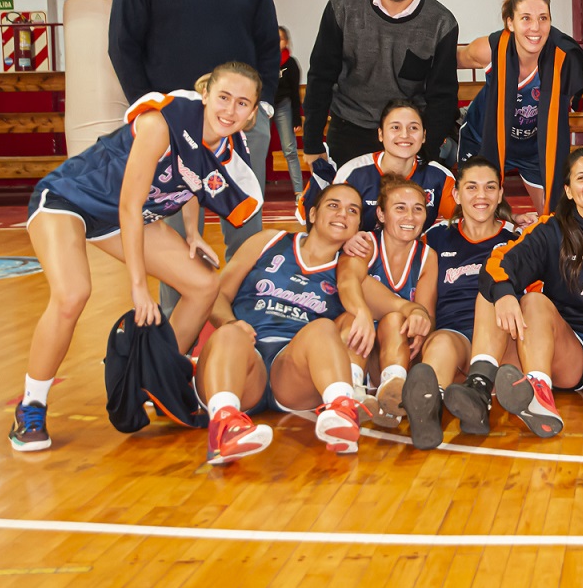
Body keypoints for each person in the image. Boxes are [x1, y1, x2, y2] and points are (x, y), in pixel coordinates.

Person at [11, 63, 265, 452]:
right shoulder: (162, 123)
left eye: (242, 103)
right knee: (73, 294)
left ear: (252, 113)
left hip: (123, 217)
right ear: (206, 96)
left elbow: (194, 179)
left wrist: (193, 232)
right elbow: (130, 205)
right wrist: (138, 288)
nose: (230, 110)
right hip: (70, 200)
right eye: (224, 98)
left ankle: (157, 377)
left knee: (203, 284)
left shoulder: (228, 152)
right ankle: (31, 405)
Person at [108, 0, 280, 310]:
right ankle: (171, 331)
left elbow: (267, 43)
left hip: (240, 125)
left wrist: (258, 110)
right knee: (172, 233)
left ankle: (251, 321)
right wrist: (151, 114)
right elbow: (123, 45)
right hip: (173, 129)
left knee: (245, 226)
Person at [460, 147, 583, 439]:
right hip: (570, 353)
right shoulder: (552, 229)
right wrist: (505, 292)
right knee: (530, 300)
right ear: (568, 191)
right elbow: (499, 263)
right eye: (582, 178)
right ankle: (538, 393)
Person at [194, 183, 372, 464]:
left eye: (353, 210)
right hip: (242, 358)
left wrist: (409, 311)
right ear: (312, 214)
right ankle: (224, 426)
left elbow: (388, 304)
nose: (342, 214)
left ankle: (341, 413)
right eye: (333, 205)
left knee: (323, 328)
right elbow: (217, 296)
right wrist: (231, 322)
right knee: (230, 334)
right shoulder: (268, 241)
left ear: (358, 226)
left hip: (292, 371)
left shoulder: (348, 270)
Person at [302, 0, 459, 168]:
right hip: (349, 133)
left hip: (407, 139)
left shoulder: (442, 22)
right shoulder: (341, 9)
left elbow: (443, 96)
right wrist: (311, 143)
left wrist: (428, 152)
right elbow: (320, 78)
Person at [402, 157, 518, 449]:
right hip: (454, 338)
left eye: (490, 187)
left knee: (492, 286)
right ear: (455, 195)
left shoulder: (515, 238)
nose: (481, 196)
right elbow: (419, 291)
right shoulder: (436, 238)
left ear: (501, 194)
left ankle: (474, 397)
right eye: (471, 187)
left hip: (501, 343)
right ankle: (430, 411)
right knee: (440, 345)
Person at [458, 0, 583, 214]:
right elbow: (450, 60)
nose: (535, 28)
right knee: (478, 214)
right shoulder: (489, 50)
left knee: (555, 216)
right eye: (526, 18)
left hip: (532, 146)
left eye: (543, 18)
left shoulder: (562, 59)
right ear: (510, 23)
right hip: (483, 139)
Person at [298, 100, 455, 235]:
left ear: (424, 136)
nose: (405, 135)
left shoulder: (438, 176)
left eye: (413, 128)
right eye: (395, 127)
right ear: (380, 134)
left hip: (412, 260)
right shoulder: (354, 173)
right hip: (358, 259)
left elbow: (466, 222)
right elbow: (323, 226)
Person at [354, 175, 438, 429]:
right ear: (380, 214)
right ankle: (353, 389)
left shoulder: (427, 256)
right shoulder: (363, 244)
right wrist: (409, 310)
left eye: (418, 209)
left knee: (396, 322)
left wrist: (422, 327)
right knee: (375, 318)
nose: (410, 217)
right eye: (400, 208)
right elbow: (351, 287)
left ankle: (392, 391)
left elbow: (427, 314)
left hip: (397, 350)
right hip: (356, 346)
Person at [273, 26, 305, 197]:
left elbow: (294, 93)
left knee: (289, 149)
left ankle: (299, 191)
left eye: (280, 39)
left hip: (283, 105)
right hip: (264, 105)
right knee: (257, 148)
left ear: (286, 42)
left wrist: (296, 120)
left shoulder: (291, 64)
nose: (277, 42)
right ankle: (253, 193)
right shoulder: (263, 61)